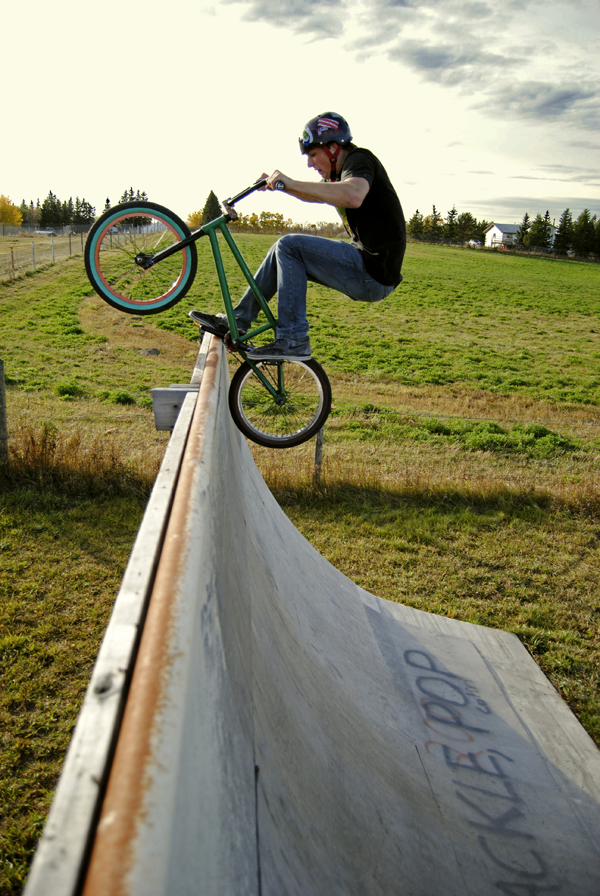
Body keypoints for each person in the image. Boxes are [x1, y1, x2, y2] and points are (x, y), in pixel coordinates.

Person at [190, 112, 406, 360]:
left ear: (334, 148)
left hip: (373, 274)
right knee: (280, 251)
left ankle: (293, 339)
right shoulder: (341, 174)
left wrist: (290, 183)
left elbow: (353, 196)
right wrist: (283, 187)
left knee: (290, 246)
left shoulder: (359, 160)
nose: (310, 164)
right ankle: (237, 321)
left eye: (313, 155)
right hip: (369, 269)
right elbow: (317, 194)